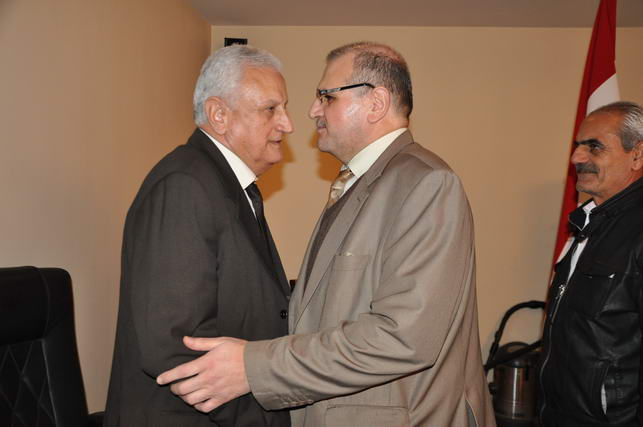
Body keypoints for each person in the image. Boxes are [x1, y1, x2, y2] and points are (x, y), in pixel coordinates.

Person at [158, 41, 495, 427]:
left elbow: (403, 338)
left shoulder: (427, 183)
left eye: (327, 97)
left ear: (376, 103)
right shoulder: (359, 182)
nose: (312, 110)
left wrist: (253, 367)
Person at [103, 45, 293, 426]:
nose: (287, 124)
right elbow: (176, 347)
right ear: (219, 115)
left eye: (284, 108)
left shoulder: (223, 185)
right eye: (271, 109)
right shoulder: (184, 185)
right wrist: (264, 419)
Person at [539, 101, 643, 426]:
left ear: (637, 155)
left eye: (594, 147)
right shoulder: (588, 223)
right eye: (578, 146)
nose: (576, 158)